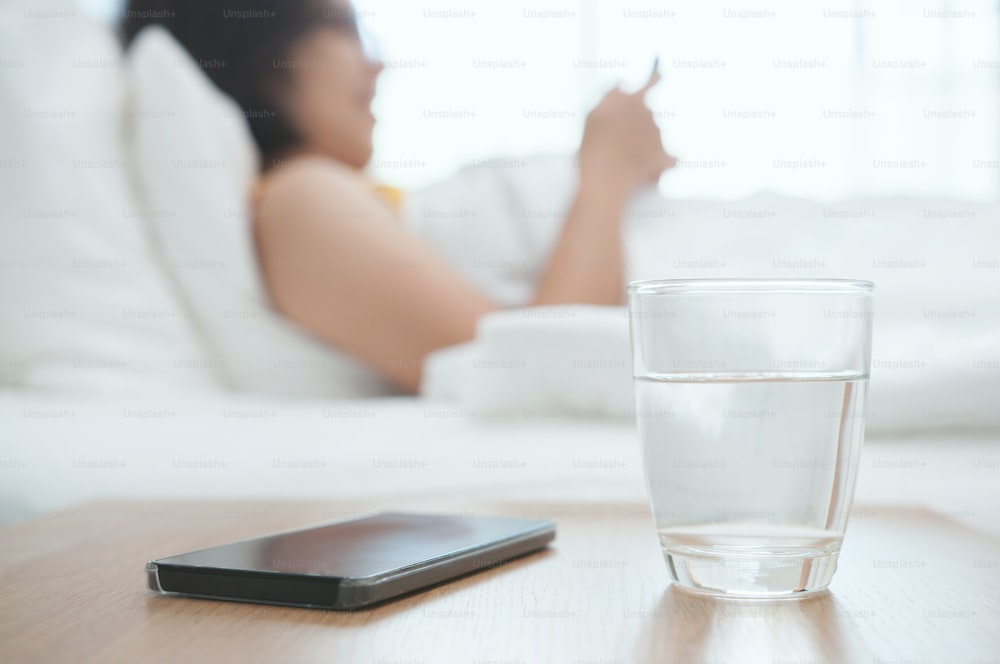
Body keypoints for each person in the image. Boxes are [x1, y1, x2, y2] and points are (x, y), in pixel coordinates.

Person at [122, 0, 675, 393]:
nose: (377, 62)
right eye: (338, 26)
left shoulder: (345, 195)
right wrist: (606, 170)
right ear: (254, 52)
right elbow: (536, 372)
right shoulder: (301, 198)